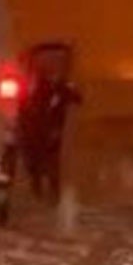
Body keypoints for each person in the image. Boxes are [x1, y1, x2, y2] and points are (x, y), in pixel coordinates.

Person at [17, 42, 82, 204]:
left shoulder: (60, 87)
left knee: (50, 163)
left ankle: (51, 193)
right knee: (36, 162)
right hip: (34, 130)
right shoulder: (36, 86)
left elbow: (76, 98)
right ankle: (41, 192)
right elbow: (23, 106)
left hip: (50, 131)